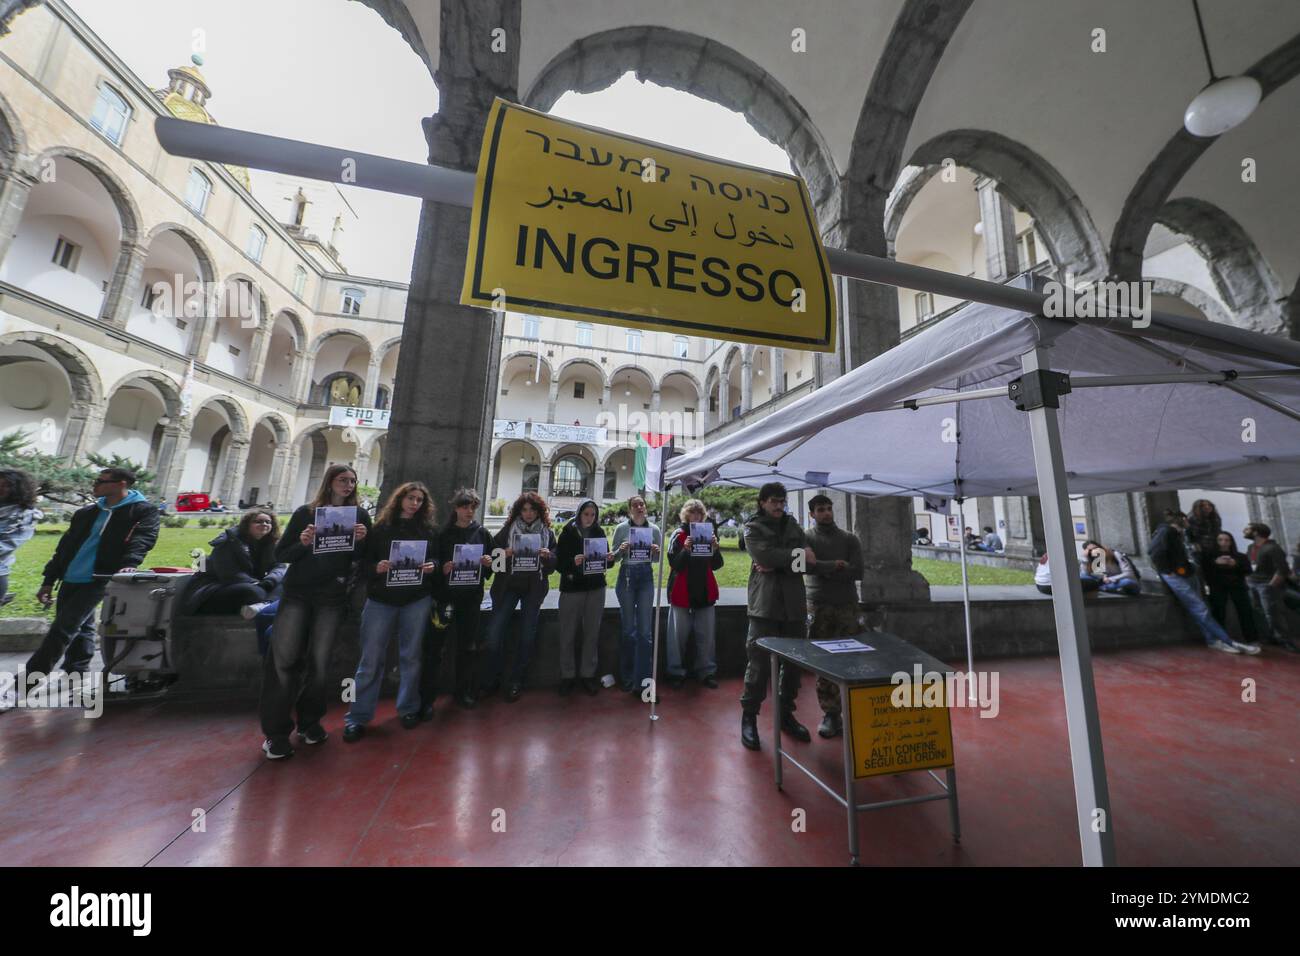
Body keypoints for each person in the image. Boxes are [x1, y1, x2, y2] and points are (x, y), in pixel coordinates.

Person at [259, 464, 372, 760]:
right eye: (342, 480)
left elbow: (363, 560)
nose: (348, 485)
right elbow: (281, 555)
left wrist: (362, 541)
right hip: (298, 594)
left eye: (352, 481)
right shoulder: (305, 514)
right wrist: (303, 542)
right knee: (283, 661)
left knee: (320, 664)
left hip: (332, 597)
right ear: (329, 483)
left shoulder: (359, 516)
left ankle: (310, 722)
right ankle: (276, 733)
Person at [25, 468, 159, 680]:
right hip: (70, 577)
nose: (94, 485)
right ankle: (76, 674)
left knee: (62, 629)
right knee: (81, 627)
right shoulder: (86, 512)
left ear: (121, 483)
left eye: (101, 481)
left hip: (99, 578)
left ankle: (26, 682)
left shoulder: (143, 511)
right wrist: (48, 580)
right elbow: (64, 548)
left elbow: (143, 539)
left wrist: (130, 564)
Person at [343, 482, 439, 742]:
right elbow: (363, 564)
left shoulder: (428, 530)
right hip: (382, 600)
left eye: (420, 500)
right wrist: (377, 567)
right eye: (411, 498)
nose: (415, 503)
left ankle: (408, 708)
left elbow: (437, 558)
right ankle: (357, 716)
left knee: (411, 656)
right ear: (400, 499)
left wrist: (432, 565)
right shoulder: (381, 529)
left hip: (416, 599)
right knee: (370, 660)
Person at [740, 482, 813, 751]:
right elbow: (763, 555)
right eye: (773, 501)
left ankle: (785, 714)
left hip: (794, 604)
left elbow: (809, 559)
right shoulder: (753, 527)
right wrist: (795, 558)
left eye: (781, 501)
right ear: (762, 502)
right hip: (765, 605)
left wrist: (780, 561)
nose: (779, 505)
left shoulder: (793, 525)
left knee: (792, 665)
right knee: (758, 664)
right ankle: (749, 716)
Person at [1148, 510, 1258, 655]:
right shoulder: (1167, 531)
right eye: (1186, 519)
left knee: (1200, 607)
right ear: (1180, 519)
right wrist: (1167, 570)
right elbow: (1154, 552)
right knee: (1200, 608)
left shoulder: (1177, 533)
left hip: (1184, 572)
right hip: (1176, 574)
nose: (1189, 522)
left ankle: (1213, 640)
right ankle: (1227, 641)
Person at [426, 487, 496, 713]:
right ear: (455, 508)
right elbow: (432, 564)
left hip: (471, 598)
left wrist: (488, 563)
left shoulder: (483, 533)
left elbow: (495, 564)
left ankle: (463, 692)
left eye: (473, 507)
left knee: (468, 647)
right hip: (445, 598)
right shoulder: (442, 534)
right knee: (435, 648)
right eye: (465, 507)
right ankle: (427, 698)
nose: (469, 512)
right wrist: (442, 568)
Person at [480, 491, 553, 703]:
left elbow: (552, 566)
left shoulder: (547, 532)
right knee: (494, 634)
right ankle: (493, 678)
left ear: (539, 511)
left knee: (527, 636)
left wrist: (548, 557)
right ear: (519, 511)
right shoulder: (507, 531)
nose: (529, 514)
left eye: (533, 509)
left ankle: (516, 681)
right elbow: (493, 560)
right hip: (508, 587)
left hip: (533, 589)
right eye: (524, 509)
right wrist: (506, 553)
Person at [803, 494, 864, 739]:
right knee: (824, 661)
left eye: (829, 508)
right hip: (819, 606)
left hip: (847, 605)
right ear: (812, 514)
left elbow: (858, 571)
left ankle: (851, 709)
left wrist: (824, 569)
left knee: (850, 658)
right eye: (820, 509)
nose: (826, 513)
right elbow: (805, 567)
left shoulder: (849, 539)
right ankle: (830, 713)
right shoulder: (806, 538)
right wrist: (835, 566)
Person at [664, 498, 723, 691]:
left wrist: (715, 549)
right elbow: (675, 565)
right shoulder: (678, 535)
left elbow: (716, 565)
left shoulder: (708, 533)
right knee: (677, 637)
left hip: (704, 590)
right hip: (682, 590)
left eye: (699, 514)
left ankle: (706, 671)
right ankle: (675, 672)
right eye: (692, 513)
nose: (696, 517)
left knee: (706, 636)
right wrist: (686, 550)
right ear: (685, 515)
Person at [179, 510, 285, 616]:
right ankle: (263, 606)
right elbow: (228, 573)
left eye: (268, 522)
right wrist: (256, 583)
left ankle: (264, 605)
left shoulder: (270, 544)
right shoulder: (228, 541)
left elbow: (279, 566)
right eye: (259, 521)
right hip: (215, 587)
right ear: (246, 524)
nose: (264, 524)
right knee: (254, 592)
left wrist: (270, 581)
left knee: (286, 584)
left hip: (254, 583)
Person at [556, 498, 610, 696]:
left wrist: (609, 559)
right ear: (579, 514)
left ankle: (588, 674)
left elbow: (606, 563)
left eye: (593, 515)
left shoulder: (599, 532)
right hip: (572, 589)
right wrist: (573, 562)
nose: (589, 518)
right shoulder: (568, 532)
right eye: (586, 514)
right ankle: (567, 675)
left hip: (595, 589)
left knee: (591, 633)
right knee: (567, 633)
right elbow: (558, 563)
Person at [610, 494, 661, 694]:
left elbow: (656, 560)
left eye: (642, 504)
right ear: (630, 509)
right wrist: (620, 550)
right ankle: (628, 677)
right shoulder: (622, 529)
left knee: (645, 633)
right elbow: (612, 559)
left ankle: (644, 682)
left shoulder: (654, 529)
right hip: (627, 577)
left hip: (646, 576)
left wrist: (656, 551)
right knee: (629, 631)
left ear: (645, 508)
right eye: (635, 505)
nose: (639, 507)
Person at [1242, 522, 1300, 652]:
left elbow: (1282, 569)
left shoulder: (1273, 548)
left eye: (1247, 529)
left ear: (1256, 532)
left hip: (1266, 585)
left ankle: (1285, 640)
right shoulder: (1251, 547)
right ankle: (1270, 637)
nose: (1244, 531)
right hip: (1253, 584)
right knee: (1259, 612)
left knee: (1273, 613)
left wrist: (1271, 585)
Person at [1202, 531, 1261, 646]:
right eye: (1220, 540)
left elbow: (1247, 571)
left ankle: (1252, 639)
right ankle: (1220, 638)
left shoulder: (1240, 556)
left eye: (1226, 540)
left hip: (1237, 586)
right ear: (1216, 541)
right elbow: (1205, 573)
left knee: (1245, 612)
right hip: (1218, 587)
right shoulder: (1208, 556)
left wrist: (1235, 564)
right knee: (1219, 612)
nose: (1223, 543)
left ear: (1231, 542)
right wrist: (1215, 563)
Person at [0, 468, 39, 609]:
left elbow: (6, 546)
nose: (0, 488)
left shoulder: (25, 515)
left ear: (18, 489)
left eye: (6, 485)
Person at [1033, 552, 1101, 595]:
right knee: (1093, 583)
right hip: (1050, 587)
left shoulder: (1050, 550)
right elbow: (1077, 575)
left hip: (1039, 584)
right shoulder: (1066, 552)